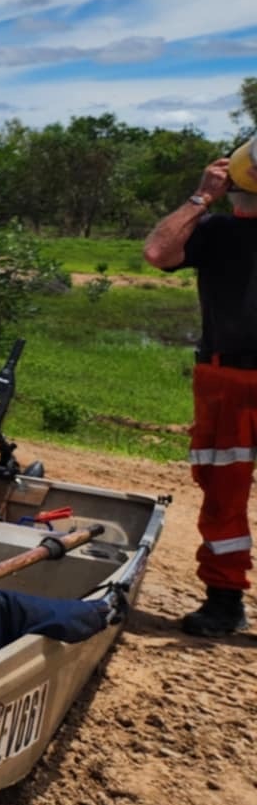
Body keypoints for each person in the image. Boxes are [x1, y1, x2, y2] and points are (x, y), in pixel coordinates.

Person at [143, 141, 257, 636]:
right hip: (225, 377)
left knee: (223, 496)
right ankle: (225, 601)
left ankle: (224, 602)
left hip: (225, 381)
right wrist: (199, 201)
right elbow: (158, 252)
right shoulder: (215, 231)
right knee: (222, 495)